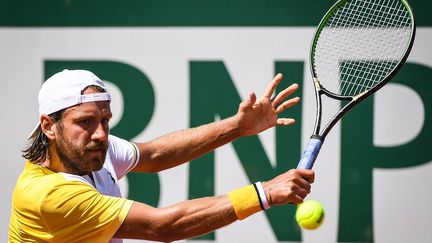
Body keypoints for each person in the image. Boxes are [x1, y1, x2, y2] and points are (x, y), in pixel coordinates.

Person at [8, 69, 315, 242]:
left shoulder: (87, 150)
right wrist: (266, 193)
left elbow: (154, 155)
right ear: (49, 126)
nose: (101, 133)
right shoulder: (49, 195)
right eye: (85, 122)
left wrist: (237, 127)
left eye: (105, 120)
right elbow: (163, 226)